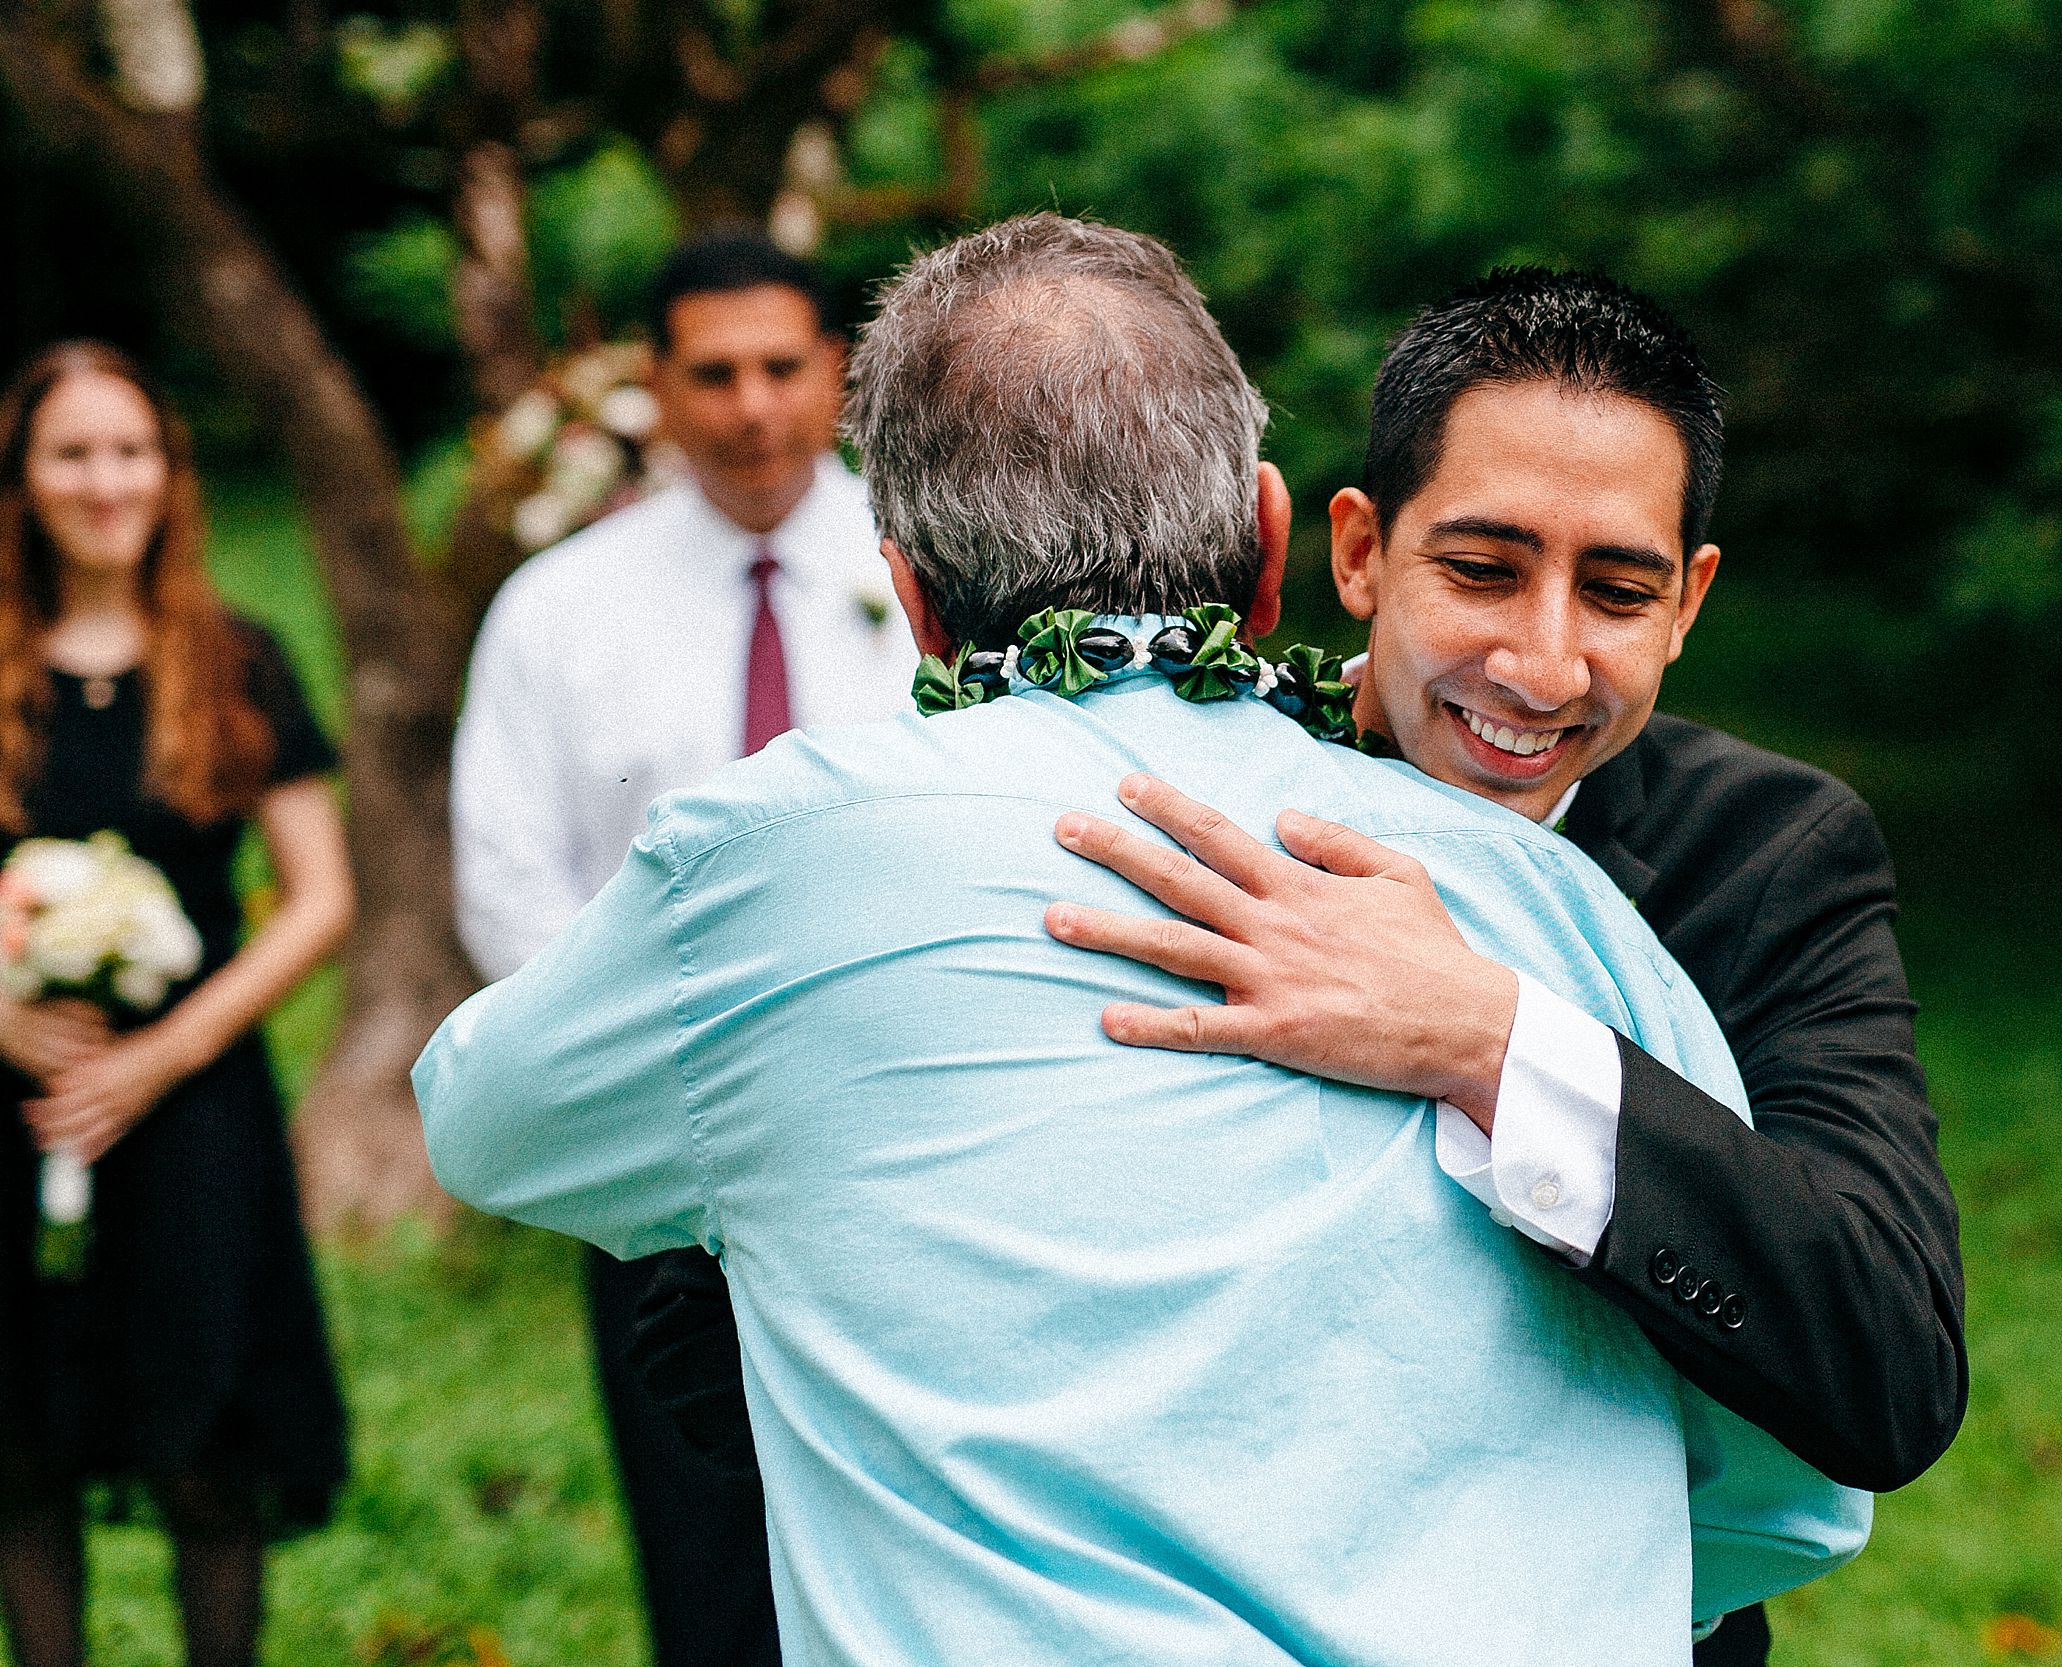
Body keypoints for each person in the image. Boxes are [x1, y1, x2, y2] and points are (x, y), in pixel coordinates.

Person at [417, 213, 1866, 1665]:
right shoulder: (1553, 907)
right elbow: (1784, 1495)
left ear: (911, 593)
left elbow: (486, 1127)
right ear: (1277, 546)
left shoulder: (763, 862)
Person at [1042, 271, 1965, 1666]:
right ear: (1357, 552)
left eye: (1616, 590)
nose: (1540, 667)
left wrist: (1490, 1041)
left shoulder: (1770, 854)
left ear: (1689, 601)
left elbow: (1887, 1365)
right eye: (1481, 569)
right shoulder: (1153, 805)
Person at [449, 231, 917, 1667]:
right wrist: (677, 1107)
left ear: (834, 372)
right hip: (662, 1173)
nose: (752, 406)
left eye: (782, 367)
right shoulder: (558, 610)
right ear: (656, 385)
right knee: (704, 1557)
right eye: (712, 374)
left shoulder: (935, 573)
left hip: (900, 1153)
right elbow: (508, 888)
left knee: (906, 1554)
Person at [0, 342, 353, 1667]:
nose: (107, 482)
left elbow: (318, 897)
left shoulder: (233, 657)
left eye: (131, 450)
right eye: (73, 453)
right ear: (23, 479)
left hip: (194, 1107)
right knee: (23, 1448)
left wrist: (160, 1057)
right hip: (16, 1108)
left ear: (169, 470)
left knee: (208, 1444)